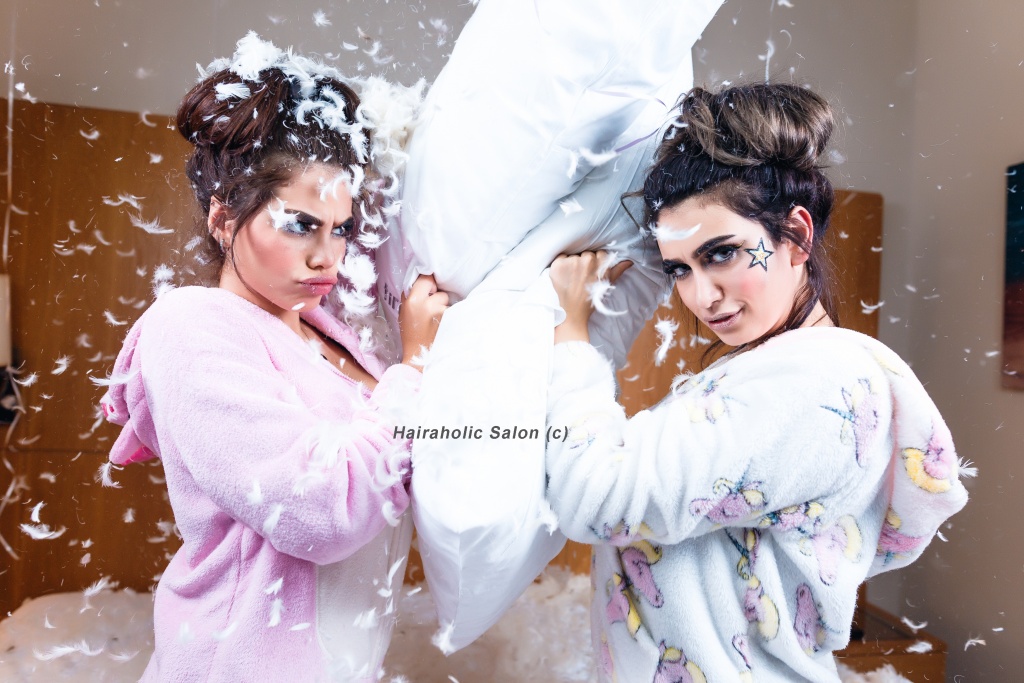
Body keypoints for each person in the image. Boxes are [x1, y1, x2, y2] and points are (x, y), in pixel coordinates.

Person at [545, 83, 970, 682]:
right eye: (679, 269)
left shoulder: (813, 381)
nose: (701, 296)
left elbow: (600, 501)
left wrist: (571, 338)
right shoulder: (782, 371)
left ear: (795, 236)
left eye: (722, 254)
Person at [100, 35, 447, 681]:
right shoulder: (191, 326)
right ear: (224, 220)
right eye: (300, 224)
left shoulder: (337, 335)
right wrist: (418, 360)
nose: (327, 256)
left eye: (341, 229)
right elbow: (321, 512)